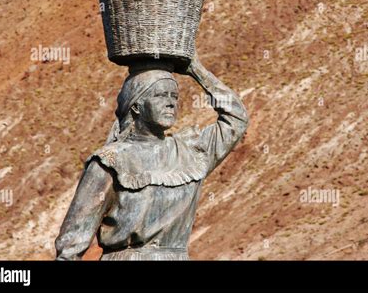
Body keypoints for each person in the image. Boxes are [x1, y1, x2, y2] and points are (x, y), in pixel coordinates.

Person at [55, 56, 249, 260]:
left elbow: (236, 119)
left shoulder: (191, 152)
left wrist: (196, 69)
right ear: (136, 106)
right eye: (160, 95)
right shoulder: (109, 162)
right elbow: (71, 246)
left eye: (174, 96)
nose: (171, 103)